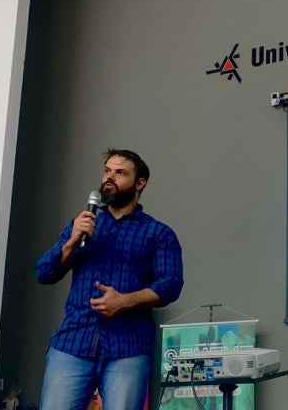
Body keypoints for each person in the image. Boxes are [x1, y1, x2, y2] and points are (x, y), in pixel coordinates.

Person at [35, 149, 184, 410]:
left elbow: (170, 284)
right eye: (107, 171)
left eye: (120, 173)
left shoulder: (158, 233)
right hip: (73, 341)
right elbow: (44, 273)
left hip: (127, 348)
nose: (109, 178)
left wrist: (126, 301)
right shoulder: (81, 224)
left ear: (140, 183)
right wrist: (72, 241)